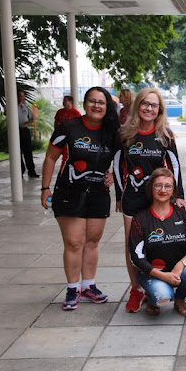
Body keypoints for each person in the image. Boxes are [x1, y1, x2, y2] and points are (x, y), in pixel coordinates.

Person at [40, 86, 120, 310]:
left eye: (101, 102)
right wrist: (45, 188)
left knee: (92, 242)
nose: (96, 106)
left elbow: (122, 158)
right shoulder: (69, 127)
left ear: (107, 106)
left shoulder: (113, 131)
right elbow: (50, 157)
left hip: (98, 194)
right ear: (85, 104)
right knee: (74, 242)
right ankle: (73, 288)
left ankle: (88, 286)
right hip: (69, 192)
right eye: (92, 101)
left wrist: (113, 175)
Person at [113, 87, 186, 313]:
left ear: (159, 110)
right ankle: (136, 289)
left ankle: (153, 288)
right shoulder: (125, 134)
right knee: (132, 246)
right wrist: (118, 195)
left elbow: (175, 167)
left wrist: (179, 196)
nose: (149, 108)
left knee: (158, 243)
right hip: (132, 200)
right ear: (138, 106)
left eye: (154, 105)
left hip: (158, 199)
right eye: (145, 103)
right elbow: (117, 165)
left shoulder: (165, 135)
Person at [128, 168, 186, 316]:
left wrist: (180, 266)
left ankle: (179, 299)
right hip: (153, 273)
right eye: (158, 185)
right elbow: (135, 257)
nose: (163, 190)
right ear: (151, 188)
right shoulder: (140, 218)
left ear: (173, 191)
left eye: (168, 186)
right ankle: (153, 297)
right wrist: (163, 276)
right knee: (163, 297)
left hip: (180, 270)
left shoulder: (183, 212)